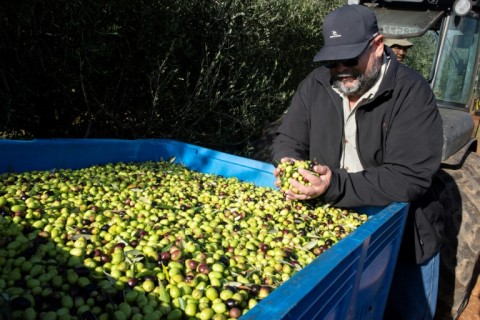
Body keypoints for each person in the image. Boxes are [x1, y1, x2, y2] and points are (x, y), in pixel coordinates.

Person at [271, 4, 444, 320]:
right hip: (335, 232)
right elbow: (288, 139)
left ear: (377, 46)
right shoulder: (317, 84)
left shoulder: (410, 93)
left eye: (350, 59)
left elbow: (410, 177)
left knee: (409, 312)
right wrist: (290, 165)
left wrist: (332, 185)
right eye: (331, 61)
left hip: (403, 235)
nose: (340, 69)